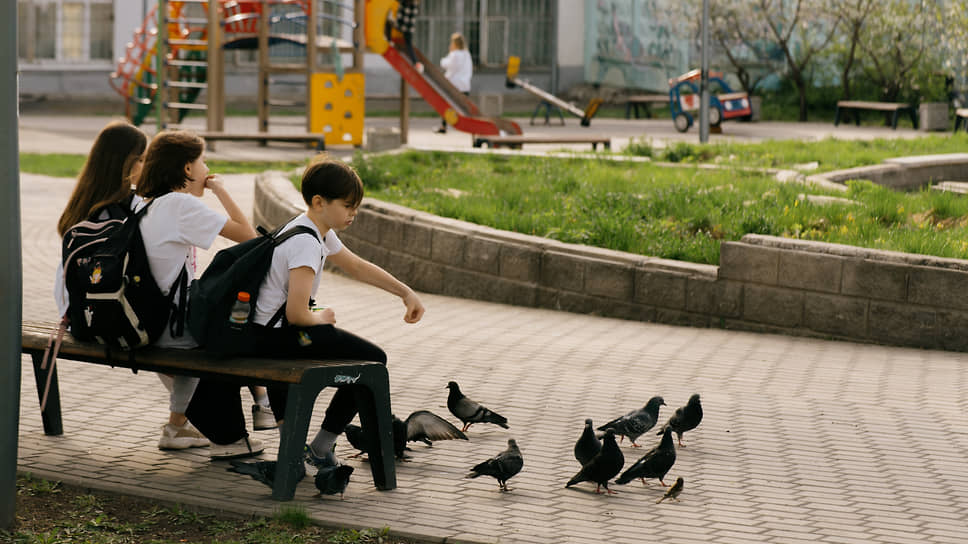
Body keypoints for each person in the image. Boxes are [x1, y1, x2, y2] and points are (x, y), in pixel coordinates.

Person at [184, 155, 426, 467]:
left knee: (350, 356)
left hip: (261, 335)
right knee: (373, 361)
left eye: (357, 206)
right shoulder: (307, 244)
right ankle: (320, 447)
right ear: (319, 201)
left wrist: (405, 292)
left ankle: (296, 450)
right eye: (348, 205)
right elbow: (298, 314)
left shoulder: (308, 227)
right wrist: (321, 318)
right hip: (273, 339)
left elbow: (355, 266)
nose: (354, 213)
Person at [54, 120, 213, 451]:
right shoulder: (129, 207)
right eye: (143, 159)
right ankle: (185, 422)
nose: (148, 166)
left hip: (79, 310)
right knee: (182, 326)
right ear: (127, 164)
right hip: (111, 310)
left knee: (166, 321)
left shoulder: (87, 204)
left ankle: (185, 421)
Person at [133, 129, 267, 459]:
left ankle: (177, 426)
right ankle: (261, 407)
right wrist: (220, 189)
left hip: (150, 323)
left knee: (218, 309)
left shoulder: (148, 206)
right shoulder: (178, 204)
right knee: (244, 323)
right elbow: (250, 238)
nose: (206, 168)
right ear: (188, 169)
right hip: (174, 329)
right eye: (202, 161)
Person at [436, 32, 472, 134]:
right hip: (465, 86)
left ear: (455, 44)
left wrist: (447, 55)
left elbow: (446, 65)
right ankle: (469, 126)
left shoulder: (454, 54)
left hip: (454, 85)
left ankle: (443, 126)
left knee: (446, 105)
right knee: (465, 108)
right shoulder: (467, 54)